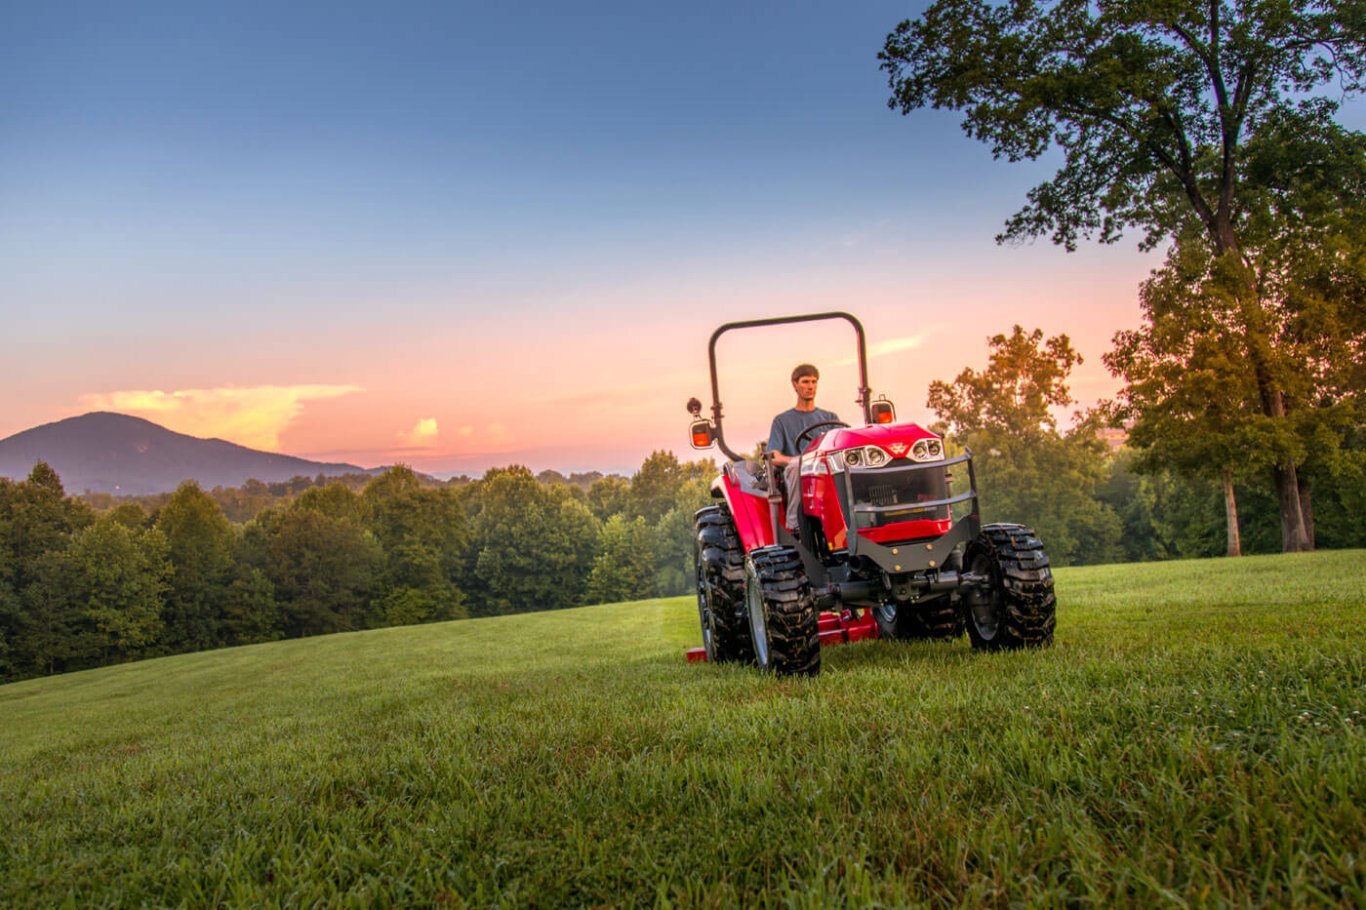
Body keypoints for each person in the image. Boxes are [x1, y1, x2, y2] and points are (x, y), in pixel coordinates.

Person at [767, 364, 840, 531]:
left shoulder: (830, 417)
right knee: (795, 466)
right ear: (795, 385)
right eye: (805, 382)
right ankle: (795, 525)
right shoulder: (782, 421)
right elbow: (774, 455)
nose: (810, 386)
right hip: (800, 469)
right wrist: (798, 459)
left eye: (814, 382)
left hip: (825, 467)